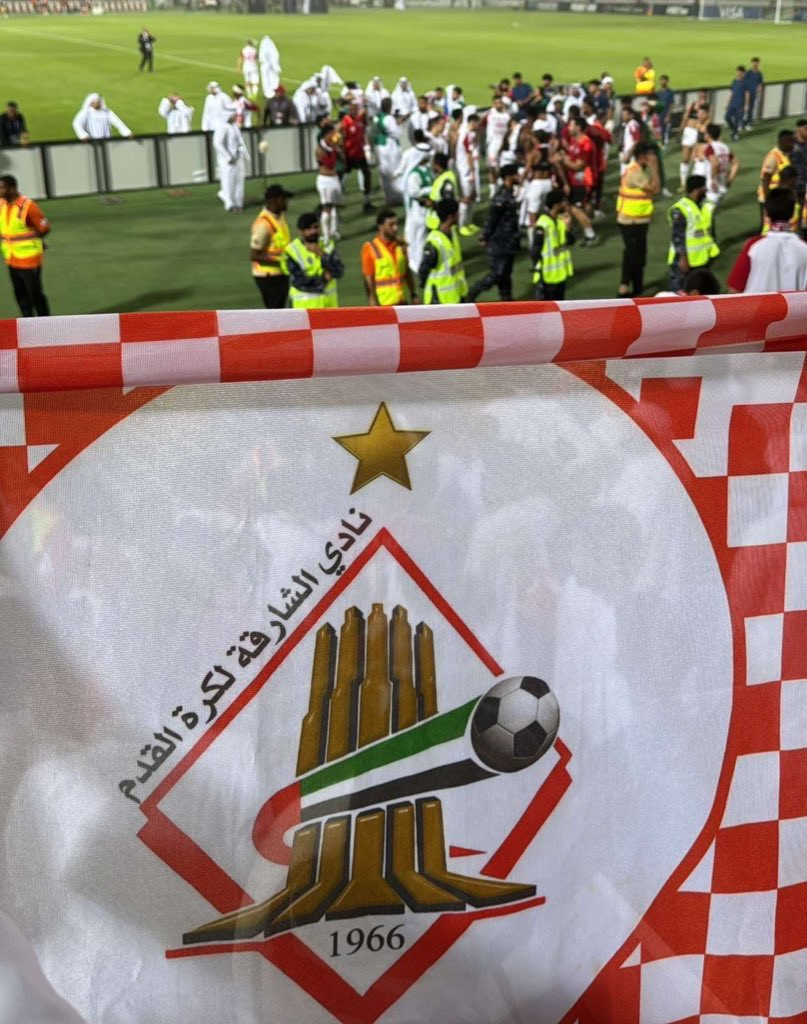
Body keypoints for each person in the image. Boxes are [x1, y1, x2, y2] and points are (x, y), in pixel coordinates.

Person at [727, 188, 807, 292]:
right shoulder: (804, 247)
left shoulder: (753, 245)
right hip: (795, 303)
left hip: (758, 303)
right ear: (792, 214)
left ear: (766, 213)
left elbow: (735, 287)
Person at [467, 163, 521, 303]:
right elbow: (492, 219)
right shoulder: (501, 197)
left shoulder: (509, 193)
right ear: (508, 177)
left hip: (509, 241)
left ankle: (507, 300)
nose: (519, 176)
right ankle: (473, 292)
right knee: (498, 274)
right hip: (500, 242)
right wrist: (485, 236)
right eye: (516, 174)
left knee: (505, 274)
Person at [0, 174, 50, 317]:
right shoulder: (2, 205)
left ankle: (45, 323)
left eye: (2, 188)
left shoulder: (28, 206)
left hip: (29, 259)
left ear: (12, 188)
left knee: (35, 294)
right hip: (12, 258)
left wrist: (37, 239)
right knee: (20, 295)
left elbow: (44, 227)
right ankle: (27, 323)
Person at [616, 141, 660, 297]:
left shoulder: (636, 169)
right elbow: (655, 188)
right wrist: (654, 167)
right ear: (643, 156)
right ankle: (631, 289)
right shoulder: (635, 173)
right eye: (651, 155)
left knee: (633, 253)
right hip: (631, 220)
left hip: (636, 219)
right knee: (635, 255)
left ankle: (628, 286)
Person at [666, 174, 719, 294]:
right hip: (684, 260)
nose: (706, 190)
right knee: (679, 293)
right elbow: (678, 236)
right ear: (697, 189)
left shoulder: (705, 206)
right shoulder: (680, 209)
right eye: (704, 187)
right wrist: (682, 258)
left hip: (702, 258)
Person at [284, 211, 344, 308]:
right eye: (308, 229)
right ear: (301, 231)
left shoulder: (327, 245)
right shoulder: (293, 251)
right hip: (305, 308)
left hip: (329, 307)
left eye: (316, 227)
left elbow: (339, 271)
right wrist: (323, 279)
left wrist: (322, 254)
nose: (313, 231)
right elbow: (298, 281)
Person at [361, 208, 417, 306]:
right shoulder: (370, 248)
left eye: (396, 224)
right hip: (384, 305)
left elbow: (407, 273)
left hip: (402, 303)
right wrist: (372, 301)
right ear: (380, 227)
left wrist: (413, 294)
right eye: (391, 225)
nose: (395, 228)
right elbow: (368, 279)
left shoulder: (400, 245)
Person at [250, 183, 293, 308]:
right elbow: (254, 255)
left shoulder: (279, 216)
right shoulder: (263, 224)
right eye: (283, 199)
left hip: (280, 272)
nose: (286, 202)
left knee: (280, 310)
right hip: (268, 276)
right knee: (275, 311)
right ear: (273, 201)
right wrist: (283, 261)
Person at [419, 198, 467, 304]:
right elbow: (423, 270)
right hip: (440, 300)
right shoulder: (434, 242)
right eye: (457, 213)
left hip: (456, 295)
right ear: (450, 217)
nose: (459, 215)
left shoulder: (453, 233)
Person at [531, 188, 574, 300]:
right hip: (546, 276)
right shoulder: (543, 224)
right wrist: (536, 268)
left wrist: (568, 228)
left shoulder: (561, 221)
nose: (566, 204)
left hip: (560, 274)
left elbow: (571, 241)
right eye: (563, 201)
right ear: (555, 205)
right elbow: (535, 250)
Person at [400, 136, 432, 272]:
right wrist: (430, 190)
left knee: (424, 238)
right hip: (418, 211)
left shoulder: (426, 170)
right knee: (419, 239)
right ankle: (418, 265)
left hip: (426, 211)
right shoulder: (414, 174)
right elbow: (414, 192)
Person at [213, 111, 248, 213]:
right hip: (228, 161)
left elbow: (240, 142)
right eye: (233, 114)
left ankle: (238, 203)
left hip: (238, 158)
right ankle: (230, 204)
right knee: (228, 182)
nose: (235, 116)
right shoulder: (222, 127)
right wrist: (228, 156)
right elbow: (217, 143)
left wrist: (244, 153)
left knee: (239, 181)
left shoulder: (235, 126)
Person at [341, 100, 373, 213]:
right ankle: (335, 200)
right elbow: (339, 136)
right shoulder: (345, 121)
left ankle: (366, 201)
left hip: (359, 153)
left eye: (356, 108)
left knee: (367, 174)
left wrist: (366, 145)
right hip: (349, 154)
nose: (354, 110)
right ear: (349, 109)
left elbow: (364, 132)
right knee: (341, 176)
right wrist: (340, 151)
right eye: (352, 108)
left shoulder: (360, 120)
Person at [758, 129, 795, 224]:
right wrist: (768, 200)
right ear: (782, 141)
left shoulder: (788, 155)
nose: (793, 144)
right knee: (768, 226)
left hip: (781, 197)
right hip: (771, 197)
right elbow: (765, 179)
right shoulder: (773, 156)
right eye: (791, 141)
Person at [315, 124, 343, 243]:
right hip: (325, 180)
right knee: (327, 207)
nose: (334, 136)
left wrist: (339, 149)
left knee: (336, 206)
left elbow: (343, 160)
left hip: (335, 179)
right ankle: (326, 236)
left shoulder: (333, 146)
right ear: (326, 135)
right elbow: (329, 164)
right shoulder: (319, 149)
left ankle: (334, 230)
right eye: (332, 133)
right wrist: (335, 148)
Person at [372, 97, 402, 205]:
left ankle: (388, 197)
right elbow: (397, 133)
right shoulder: (389, 118)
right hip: (389, 146)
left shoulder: (377, 116)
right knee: (394, 170)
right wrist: (398, 123)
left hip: (379, 145)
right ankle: (396, 196)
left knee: (384, 172)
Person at [455, 111, 480, 235]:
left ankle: (468, 222)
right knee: (466, 198)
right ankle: (461, 225)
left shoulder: (469, 133)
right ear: (472, 122)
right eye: (477, 123)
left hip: (467, 170)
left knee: (472, 197)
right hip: (466, 171)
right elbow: (469, 154)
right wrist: (472, 171)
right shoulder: (466, 135)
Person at [484, 95, 512, 199]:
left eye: (500, 103)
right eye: (496, 103)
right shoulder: (490, 113)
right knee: (492, 167)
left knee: (501, 166)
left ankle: (500, 185)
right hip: (492, 144)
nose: (498, 105)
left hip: (503, 144)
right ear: (493, 104)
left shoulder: (507, 115)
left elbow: (510, 128)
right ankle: (492, 188)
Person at [425, 151, 457, 229]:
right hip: (436, 221)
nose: (432, 166)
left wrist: (432, 204)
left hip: (442, 223)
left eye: (433, 163)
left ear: (437, 165)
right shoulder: (441, 177)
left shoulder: (447, 179)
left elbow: (448, 203)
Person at [725, 66, 746, 142]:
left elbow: (747, 94)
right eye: (737, 72)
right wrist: (727, 103)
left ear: (743, 73)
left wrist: (746, 105)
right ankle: (733, 129)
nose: (738, 73)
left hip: (740, 104)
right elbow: (731, 92)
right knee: (727, 117)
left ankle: (735, 134)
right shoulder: (734, 81)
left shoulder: (745, 82)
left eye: (740, 72)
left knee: (736, 120)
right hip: (732, 104)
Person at [743, 57, 764, 131]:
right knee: (745, 108)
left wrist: (760, 93)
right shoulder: (748, 73)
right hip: (746, 93)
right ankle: (743, 122)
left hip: (753, 93)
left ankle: (749, 123)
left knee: (751, 108)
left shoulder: (759, 73)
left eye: (756, 63)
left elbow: (760, 83)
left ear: (758, 64)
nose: (755, 64)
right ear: (751, 63)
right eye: (754, 62)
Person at [259, 35, 282, 100]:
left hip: (265, 65)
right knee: (273, 78)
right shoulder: (272, 47)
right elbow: (276, 55)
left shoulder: (263, 47)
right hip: (271, 65)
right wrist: (276, 65)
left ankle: (268, 93)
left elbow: (262, 57)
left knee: (266, 80)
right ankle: (272, 92)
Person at [656, 75, 675, 147]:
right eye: (662, 80)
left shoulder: (670, 92)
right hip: (659, 114)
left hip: (665, 114)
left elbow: (671, 104)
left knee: (665, 132)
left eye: (664, 80)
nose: (663, 82)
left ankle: (665, 145)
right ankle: (660, 145)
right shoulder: (658, 92)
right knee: (659, 131)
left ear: (667, 81)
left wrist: (668, 115)